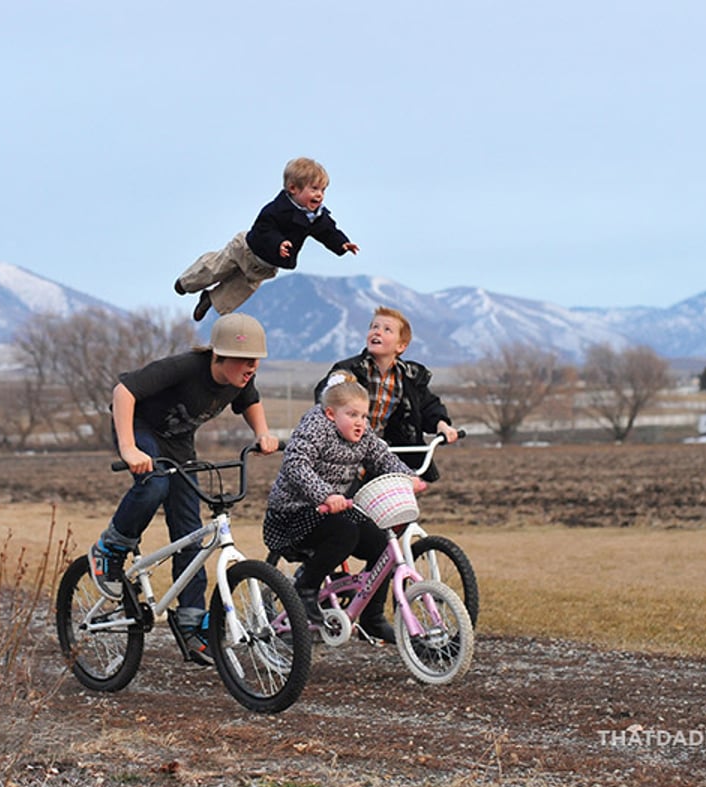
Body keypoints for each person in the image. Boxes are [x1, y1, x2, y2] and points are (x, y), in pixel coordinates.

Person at [89, 313, 279, 666]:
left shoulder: (240, 380)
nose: (251, 367)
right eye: (244, 359)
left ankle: (191, 621)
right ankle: (111, 546)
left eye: (256, 360)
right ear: (218, 356)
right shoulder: (186, 368)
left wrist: (262, 433)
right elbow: (123, 392)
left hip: (177, 443)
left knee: (191, 531)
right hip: (141, 429)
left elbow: (250, 402)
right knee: (154, 485)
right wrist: (130, 449)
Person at [263, 371, 425, 644]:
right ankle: (306, 587)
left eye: (364, 415)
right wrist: (325, 495)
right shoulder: (315, 427)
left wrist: (407, 477)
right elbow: (295, 464)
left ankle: (371, 617)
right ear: (330, 414)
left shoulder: (362, 433)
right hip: (293, 514)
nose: (360, 422)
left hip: (333, 511)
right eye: (352, 415)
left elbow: (382, 457)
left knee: (381, 544)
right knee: (345, 533)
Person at [174, 157, 359, 321]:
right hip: (246, 249)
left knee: (239, 290)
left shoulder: (316, 216)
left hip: (265, 265)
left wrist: (341, 243)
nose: (320, 195)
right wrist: (279, 243)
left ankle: (210, 299)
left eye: (323, 190)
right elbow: (264, 228)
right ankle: (187, 282)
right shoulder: (276, 209)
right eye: (314, 189)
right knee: (215, 267)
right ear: (293, 189)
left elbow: (328, 231)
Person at [314, 306, 458, 482]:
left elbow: (427, 405)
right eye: (374, 327)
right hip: (349, 450)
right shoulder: (349, 370)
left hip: (386, 452)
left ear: (401, 346)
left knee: (396, 501)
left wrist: (441, 425)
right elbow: (326, 395)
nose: (377, 332)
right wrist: (335, 384)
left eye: (386, 329)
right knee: (345, 500)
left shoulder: (410, 377)